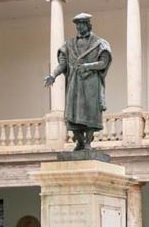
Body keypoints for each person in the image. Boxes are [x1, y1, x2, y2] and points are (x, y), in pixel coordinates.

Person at [43, 13, 112, 151]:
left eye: (81, 24)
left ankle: (88, 142)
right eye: (77, 25)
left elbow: (104, 63)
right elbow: (62, 65)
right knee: (73, 114)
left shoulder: (100, 43)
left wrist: (88, 66)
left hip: (91, 83)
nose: (79, 27)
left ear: (88, 25)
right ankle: (79, 142)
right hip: (74, 83)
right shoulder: (68, 45)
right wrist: (53, 75)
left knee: (90, 112)